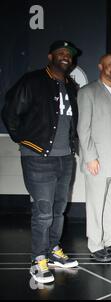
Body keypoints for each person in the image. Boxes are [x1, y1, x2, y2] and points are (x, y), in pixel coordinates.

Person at [2, 40, 80, 283]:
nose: (65, 56)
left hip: (65, 158)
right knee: (44, 212)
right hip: (38, 157)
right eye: (61, 53)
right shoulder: (33, 80)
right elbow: (10, 112)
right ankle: (38, 259)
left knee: (59, 210)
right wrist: (25, 141)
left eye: (69, 54)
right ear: (50, 56)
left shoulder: (71, 86)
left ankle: (53, 251)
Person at [77, 54, 111, 262]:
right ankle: (96, 245)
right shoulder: (88, 92)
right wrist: (90, 157)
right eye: (110, 65)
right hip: (98, 159)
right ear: (101, 67)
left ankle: (109, 240)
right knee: (96, 203)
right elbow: (83, 128)